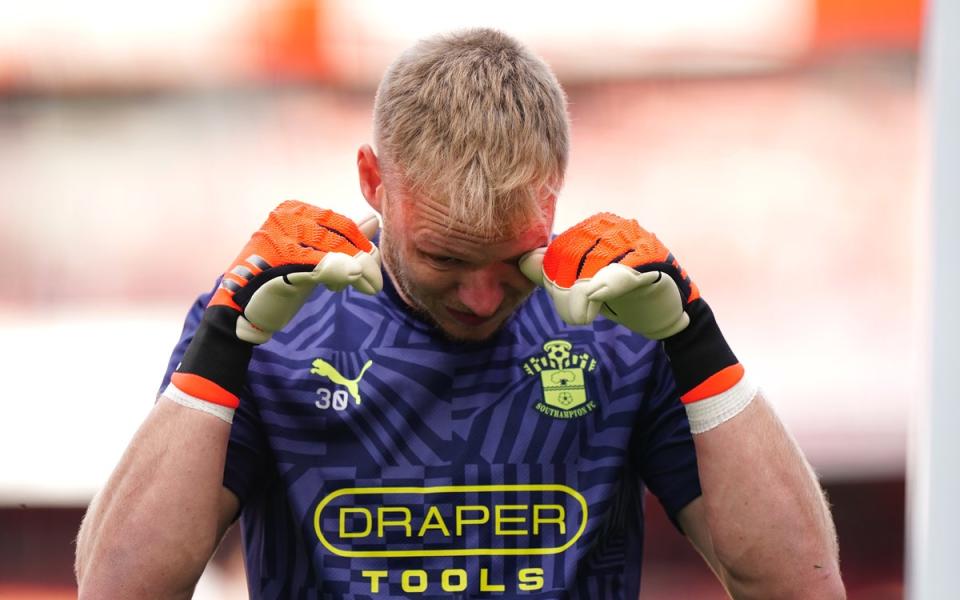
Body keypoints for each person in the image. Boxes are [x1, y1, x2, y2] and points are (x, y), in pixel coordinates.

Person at [75, 28, 845, 599]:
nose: (480, 296)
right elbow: (119, 587)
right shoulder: (272, 326)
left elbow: (798, 584)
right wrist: (219, 344)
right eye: (446, 257)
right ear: (375, 182)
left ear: (556, 190)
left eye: (514, 257)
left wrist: (695, 340)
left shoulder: (624, 321)